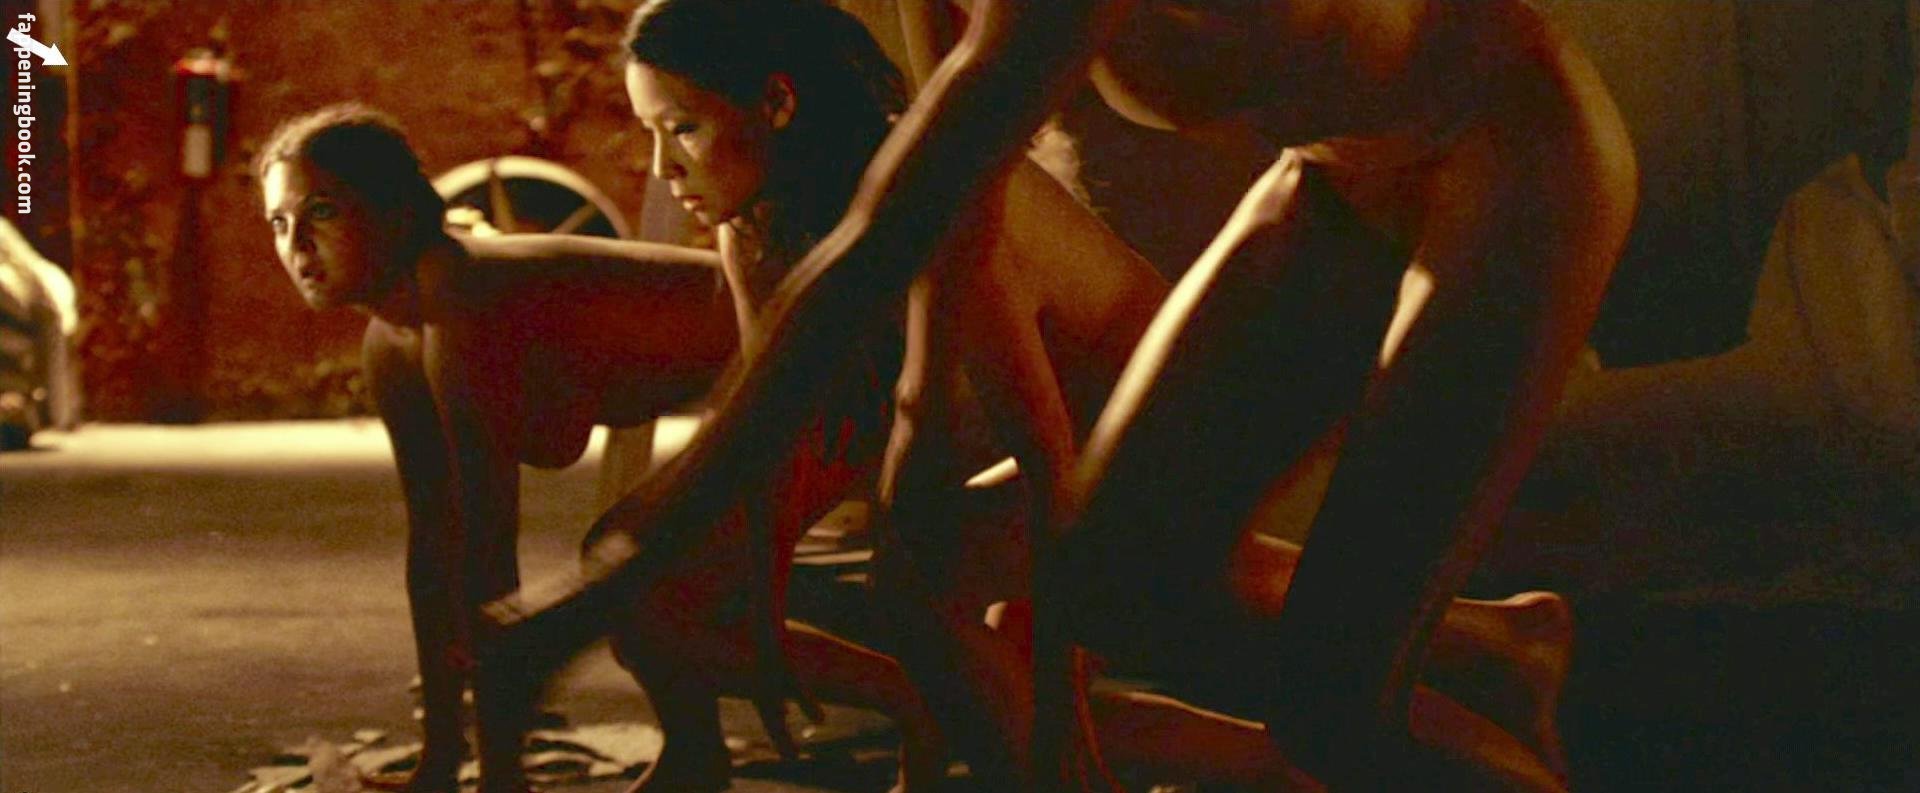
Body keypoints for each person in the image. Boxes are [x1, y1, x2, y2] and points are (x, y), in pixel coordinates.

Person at [483, 0, 1636, 790]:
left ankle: (1484, 672)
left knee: (1334, 711)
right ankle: (1507, 650)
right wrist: (921, 399)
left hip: (1502, 151)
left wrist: (605, 592)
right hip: (1334, 178)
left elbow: (885, 234)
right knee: (1107, 588)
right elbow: (943, 205)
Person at [255, 104, 750, 792]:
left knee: (627, 558)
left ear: (395, 212)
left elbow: (488, 547)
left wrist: (499, 774)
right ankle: (693, 757)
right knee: (621, 555)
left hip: (798, 354)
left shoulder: (460, 297)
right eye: (279, 223)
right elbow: (433, 542)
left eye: (322, 213)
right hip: (738, 373)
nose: (298, 245)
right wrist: (438, 760)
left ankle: (897, 700)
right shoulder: (390, 341)